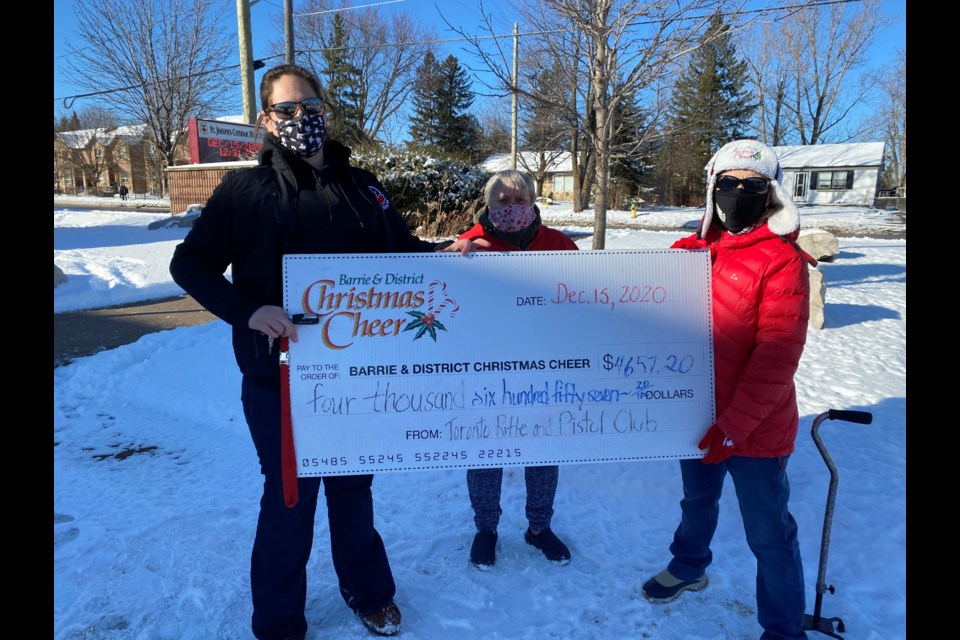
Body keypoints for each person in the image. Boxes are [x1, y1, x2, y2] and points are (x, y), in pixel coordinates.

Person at [169, 63, 485, 640]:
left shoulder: (362, 184)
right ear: (266, 119)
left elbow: (400, 253)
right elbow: (188, 264)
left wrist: (448, 251)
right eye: (286, 110)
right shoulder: (244, 191)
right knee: (290, 499)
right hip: (281, 377)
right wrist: (249, 310)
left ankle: (368, 591)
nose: (300, 120)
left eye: (309, 108)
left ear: (323, 110)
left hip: (355, 375)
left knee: (353, 488)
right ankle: (279, 619)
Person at [641, 139, 816, 640]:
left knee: (769, 535)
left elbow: (776, 356)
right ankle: (690, 564)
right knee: (696, 502)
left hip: (755, 429)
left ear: (771, 194)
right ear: (713, 188)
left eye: (753, 185)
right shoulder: (689, 255)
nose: (740, 193)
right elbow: (626, 296)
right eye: (730, 183)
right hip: (694, 416)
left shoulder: (783, 261)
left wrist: (734, 428)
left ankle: (784, 630)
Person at [457, 169, 577, 570]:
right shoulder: (468, 248)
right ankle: (486, 528)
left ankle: (539, 528)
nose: (511, 208)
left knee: (543, 449)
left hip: (545, 369)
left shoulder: (559, 244)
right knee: (486, 450)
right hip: (484, 370)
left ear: (533, 202)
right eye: (502, 201)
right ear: (488, 205)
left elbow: (584, 300)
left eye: (519, 200)